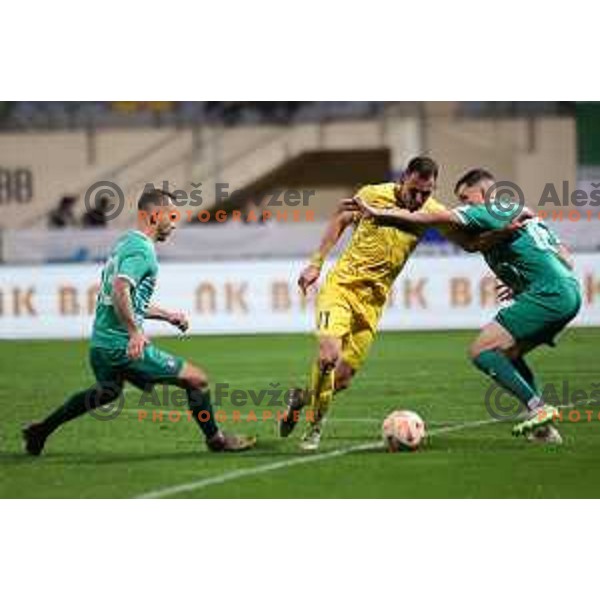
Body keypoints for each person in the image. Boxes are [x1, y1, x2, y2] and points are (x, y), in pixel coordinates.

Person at [280, 157, 521, 451]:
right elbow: (342, 217)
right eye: (415, 191)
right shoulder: (372, 194)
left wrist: (503, 234)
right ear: (404, 178)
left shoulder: (432, 212)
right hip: (341, 289)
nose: (419, 199)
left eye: (427, 193)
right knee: (329, 356)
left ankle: (300, 400)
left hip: (373, 303)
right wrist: (315, 263)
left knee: (341, 380)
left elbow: (470, 244)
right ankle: (315, 427)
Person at [355, 168, 582, 443]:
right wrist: (524, 281)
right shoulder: (524, 213)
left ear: (484, 193)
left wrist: (380, 213)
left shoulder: (490, 210)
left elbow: (437, 216)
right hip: (568, 292)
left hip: (549, 294)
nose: (464, 204)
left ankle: (540, 408)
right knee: (507, 353)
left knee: (481, 351)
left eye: (466, 197)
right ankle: (544, 430)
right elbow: (567, 260)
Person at [23, 189, 256, 455]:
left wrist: (167, 315)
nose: (175, 223)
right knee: (197, 380)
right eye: (172, 216)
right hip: (123, 345)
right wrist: (134, 333)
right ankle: (216, 439)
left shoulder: (125, 243)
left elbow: (126, 299)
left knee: (107, 392)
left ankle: (41, 430)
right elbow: (120, 288)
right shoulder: (142, 251)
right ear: (156, 216)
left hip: (102, 343)